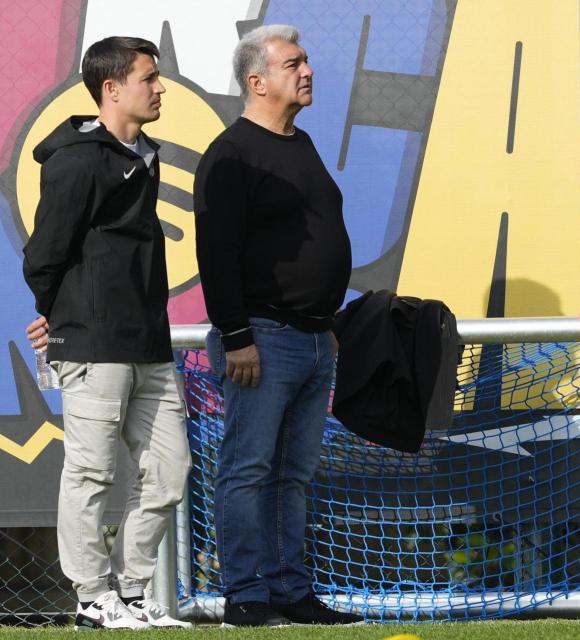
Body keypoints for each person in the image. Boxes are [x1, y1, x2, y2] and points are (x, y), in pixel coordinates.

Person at [193, 24, 361, 627]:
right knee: (248, 470)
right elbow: (216, 253)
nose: (307, 70)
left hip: (314, 339)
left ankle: (292, 591)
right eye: (294, 64)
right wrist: (237, 335)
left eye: (306, 60)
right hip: (261, 339)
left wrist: (327, 324)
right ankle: (246, 595)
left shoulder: (301, 142)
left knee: (293, 474)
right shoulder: (232, 155)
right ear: (256, 81)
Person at [22, 36, 191, 630]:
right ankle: (93, 598)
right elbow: (44, 256)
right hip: (92, 344)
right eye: (149, 78)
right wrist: (60, 313)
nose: (160, 87)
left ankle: (136, 592)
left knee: (170, 473)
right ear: (111, 89)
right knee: (90, 473)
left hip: (149, 344)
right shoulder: (75, 161)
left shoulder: (145, 153)